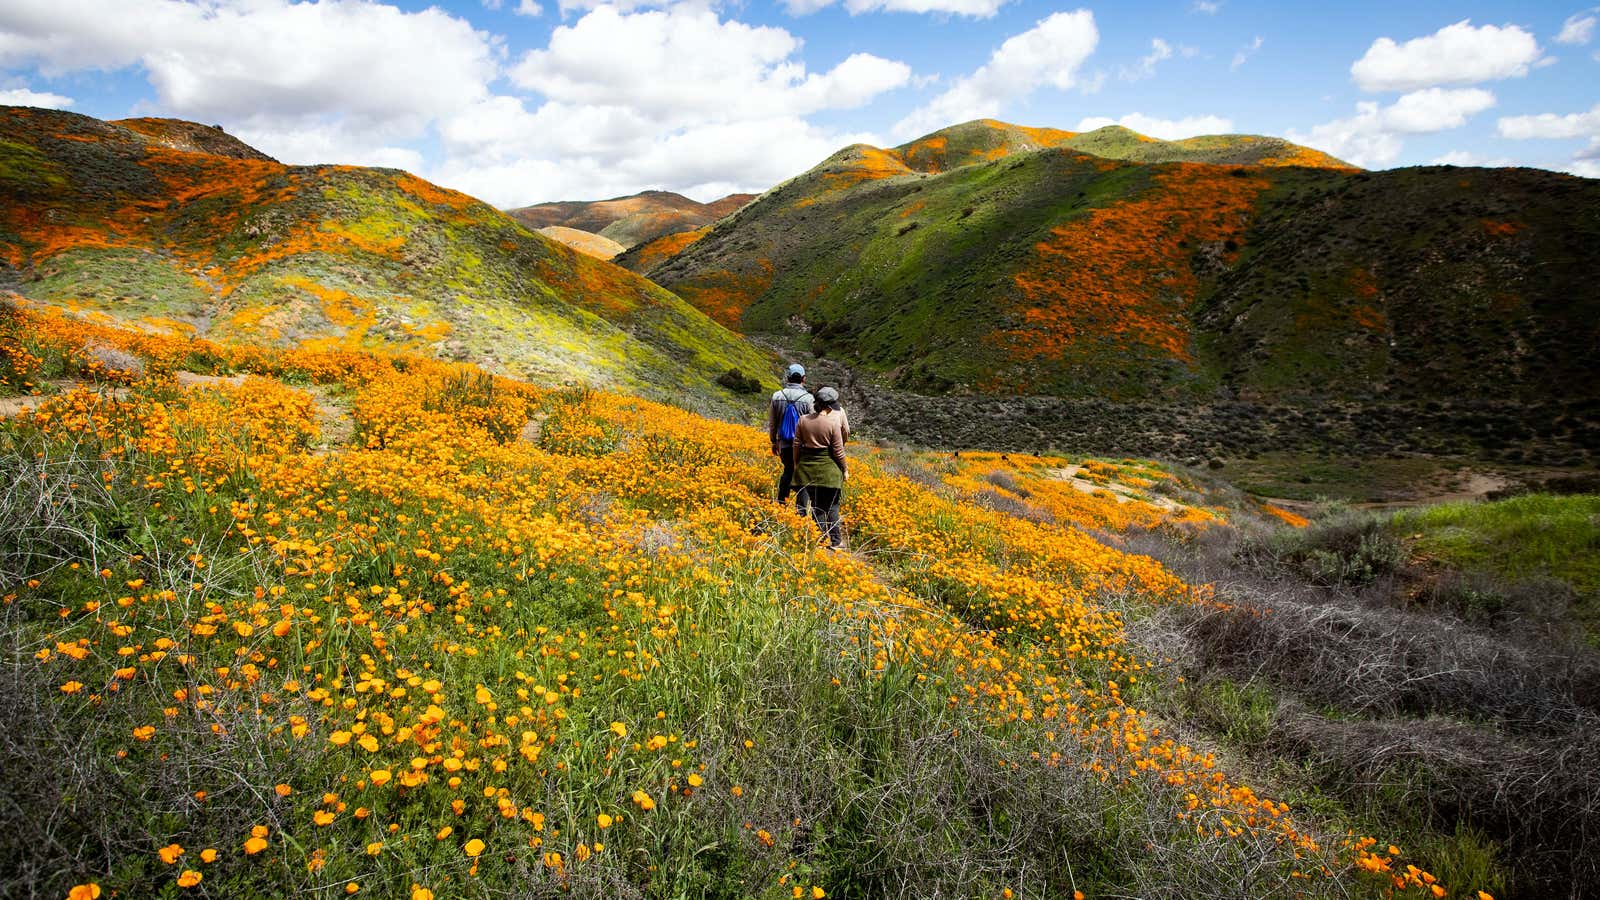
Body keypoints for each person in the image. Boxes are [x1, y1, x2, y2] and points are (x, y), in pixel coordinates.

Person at [792, 386, 850, 549]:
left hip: (808, 468)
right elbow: (838, 451)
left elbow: (796, 444)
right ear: (830, 407)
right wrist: (845, 469)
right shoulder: (832, 424)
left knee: (816, 505)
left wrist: (797, 463)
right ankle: (836, 541)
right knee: (832, 505)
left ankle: (819, 539)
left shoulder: (803, 420)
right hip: (829, 470)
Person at [766, 363, 814, 506]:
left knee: (788, 470)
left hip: (784, 443)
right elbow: (812, 424)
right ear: (803, 379)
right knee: (802, 474)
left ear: (788, 377)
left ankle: (781, 504)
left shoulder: (777, 396)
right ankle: (801, 511)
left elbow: (773, 422)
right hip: (803, 445)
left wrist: (773, 441)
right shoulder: (809, 399)